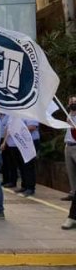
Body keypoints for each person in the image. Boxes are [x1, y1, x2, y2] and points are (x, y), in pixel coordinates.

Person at [61, 95, 76, 229]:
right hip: (69, 147)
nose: (72, 104)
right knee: (74, 185)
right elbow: (68, 124)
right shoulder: (69, 114)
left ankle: (72, 217)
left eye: (74, 103)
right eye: (71, 102)